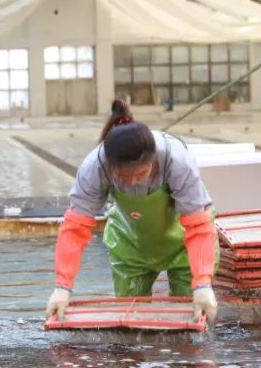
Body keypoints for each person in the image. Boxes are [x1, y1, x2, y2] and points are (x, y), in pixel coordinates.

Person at [45, 100, 219, 323]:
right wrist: (63, 287)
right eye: (124, 178)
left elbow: (197, 225)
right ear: (110, 167)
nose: (134, 182)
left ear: (154, 159)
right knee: (129, 325)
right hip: (131, 243)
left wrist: (203, 282)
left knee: (192, 317)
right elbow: (75, 229)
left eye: (141, 174)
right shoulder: (94, 168)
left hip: (184, 244)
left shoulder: (177, 162)